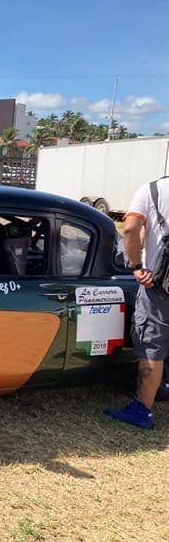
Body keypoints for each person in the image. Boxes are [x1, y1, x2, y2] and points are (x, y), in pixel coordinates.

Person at [105, 177, 169, 429]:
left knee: (152, 346)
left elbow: (130, 229)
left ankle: (141, 410)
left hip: (160, 286)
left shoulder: (153, 190)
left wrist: (136, 267)